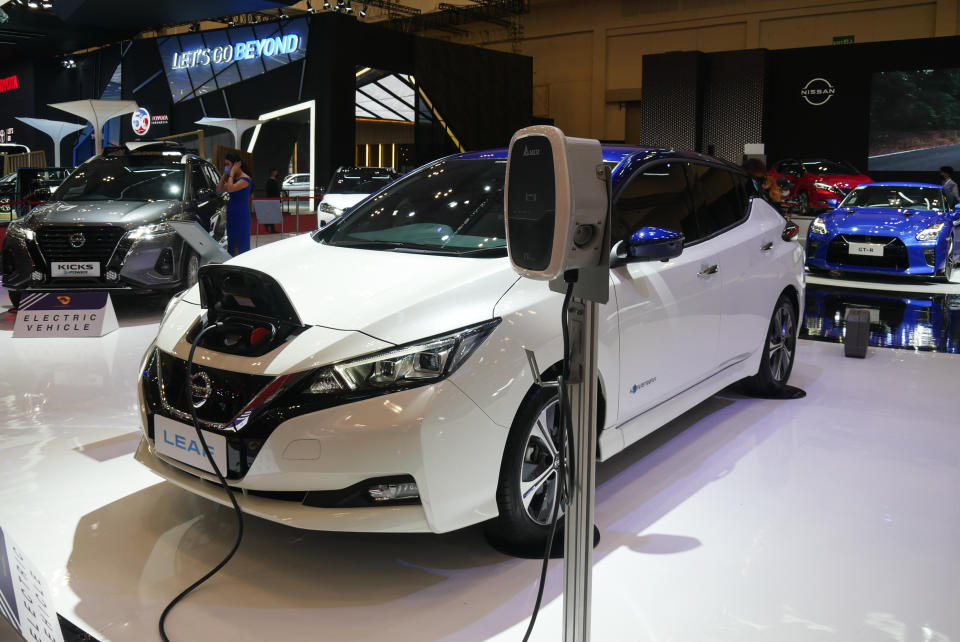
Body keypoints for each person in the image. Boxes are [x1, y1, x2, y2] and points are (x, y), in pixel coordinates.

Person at [217, 153, 253, 256]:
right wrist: (224, 174)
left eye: (228, 164)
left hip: (241, 215)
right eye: (225, 165)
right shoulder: (232, 179)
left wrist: (231, 173)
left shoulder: (245, 179)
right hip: (231, 214)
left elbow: (230, 188)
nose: (227, 167)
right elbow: (219, 190)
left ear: (236, 165)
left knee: (242, 246)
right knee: (231, 245)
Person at [264, 168, 280, 234]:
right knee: (272, 214)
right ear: (272, 173)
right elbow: (271, 192)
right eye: (275, 172)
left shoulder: (274, 181)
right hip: (272, 200)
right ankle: (271, 227)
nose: (277, 173)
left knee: (273, 214)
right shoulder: (270, 181)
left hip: (274, 200)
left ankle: (269, 226)